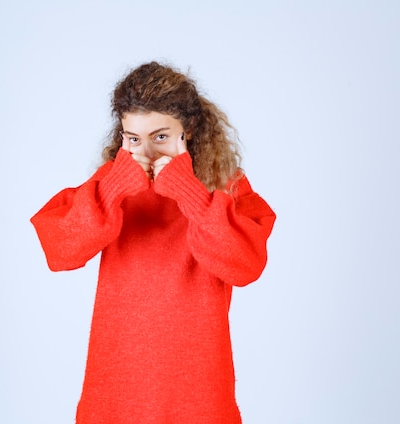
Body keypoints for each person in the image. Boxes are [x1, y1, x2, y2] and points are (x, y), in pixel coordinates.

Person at [30, 61, 276, 424]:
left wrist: (190, 193)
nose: (145, 152)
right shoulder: (113, 182)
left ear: (188, 129)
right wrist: (113, 188)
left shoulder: (224, 185)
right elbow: (60, 249)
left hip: (196, 387)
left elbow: (246, 264)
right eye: (133, 138)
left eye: (160, 136)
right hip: (118, 384)